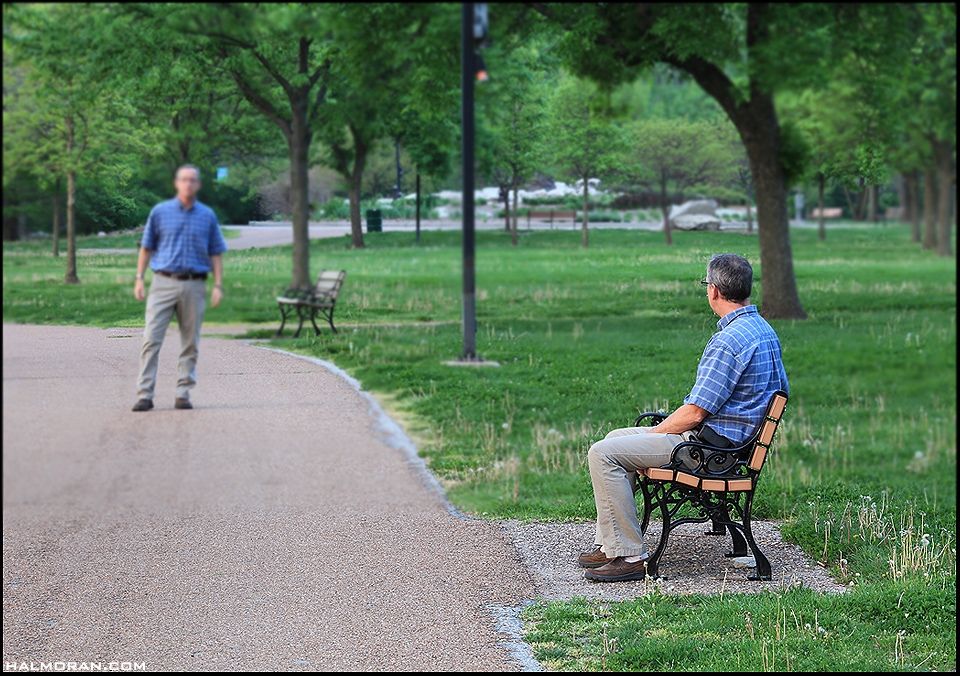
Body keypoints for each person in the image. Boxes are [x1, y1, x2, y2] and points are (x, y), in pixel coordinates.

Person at [579, 253, 788, 581]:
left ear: (714, 291)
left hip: (711, 452)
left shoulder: (729, 341)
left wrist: (657, 434)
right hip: (732, 446)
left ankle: (631, 557)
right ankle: (612, 545)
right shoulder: (763, 330)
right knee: (615, 440)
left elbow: (694, 413)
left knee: (602, 454)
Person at [131, 164, 227, 411]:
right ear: (177, 183)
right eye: (184, 179)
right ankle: (145, 393)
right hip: (163, 282)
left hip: (194, 284)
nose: (188, 184)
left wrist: (218, 285)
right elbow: (146, 247)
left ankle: (183, 392)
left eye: (192, 180)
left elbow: (216, 252)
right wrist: (139, 277)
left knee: (190, 341)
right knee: (151, 338)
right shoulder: (160, 212)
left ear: (198, 185)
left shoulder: (207, 216)